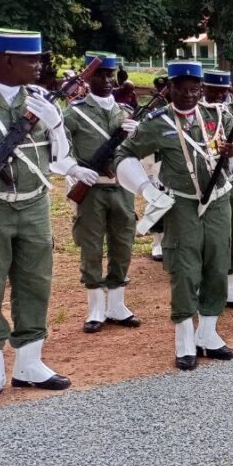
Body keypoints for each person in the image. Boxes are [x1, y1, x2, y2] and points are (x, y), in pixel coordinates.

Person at [115, 60, 233, 370]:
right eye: (181, 88)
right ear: (170, 88)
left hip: (217, 201)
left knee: (218, 264)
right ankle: (184, 340)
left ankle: (208, 334)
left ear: (201, 89)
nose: (189, 94)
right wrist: (147, 190)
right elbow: (124, 154)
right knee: (185, 269)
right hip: (183, 206)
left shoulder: (216, 115)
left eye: (195, 89)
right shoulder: (157, 123)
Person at [0, 28, 75, 403]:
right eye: (31, 60)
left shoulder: (39, 99)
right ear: (6, 59)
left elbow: (63, 158)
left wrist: (55, 123)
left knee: (35, 280)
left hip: (35, 202)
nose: (39, 66)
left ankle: (29, 362)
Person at [63, 52, 142, 333]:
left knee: (122, 244)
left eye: (110, 75)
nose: (107, 80)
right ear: (88, 77)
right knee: (92, 246)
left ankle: (117, 304)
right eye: (100, 75)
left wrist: (138, 135)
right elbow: (62, 150)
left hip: (121, 189)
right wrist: (74, 172)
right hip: (92, 190)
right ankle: (95, 307)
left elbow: (138, 154)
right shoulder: (74, 112)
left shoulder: (126, 112)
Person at [202, 69, 233, 310]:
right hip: (203, 180)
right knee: (207, 236)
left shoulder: (231, 113)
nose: (220, 96)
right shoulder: (194, 113)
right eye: (214, 91)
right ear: (204, 89)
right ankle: (205, 282)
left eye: (224, 91)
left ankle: (230, 285)